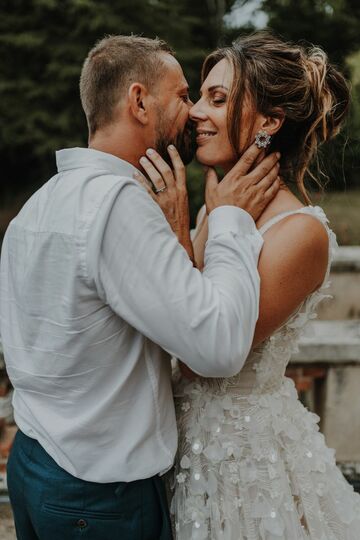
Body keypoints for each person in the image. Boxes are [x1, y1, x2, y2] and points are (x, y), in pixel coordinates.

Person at [0, 35, 281, 540]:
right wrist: (231, 219)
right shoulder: (117, 207)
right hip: (99, 494)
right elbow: (217, 348)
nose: (192, 111)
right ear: (138, 102)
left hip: (34, 463)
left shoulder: (38, 206)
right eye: (181, 95)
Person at [141, 33, 360, 539]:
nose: (196, 111)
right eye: (200, 96)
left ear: (269, 122)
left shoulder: (300, 232)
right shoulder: (214, 211)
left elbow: (207, 353)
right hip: (178, 449)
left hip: (245, 469)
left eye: (217, 99)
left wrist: (178, 231)